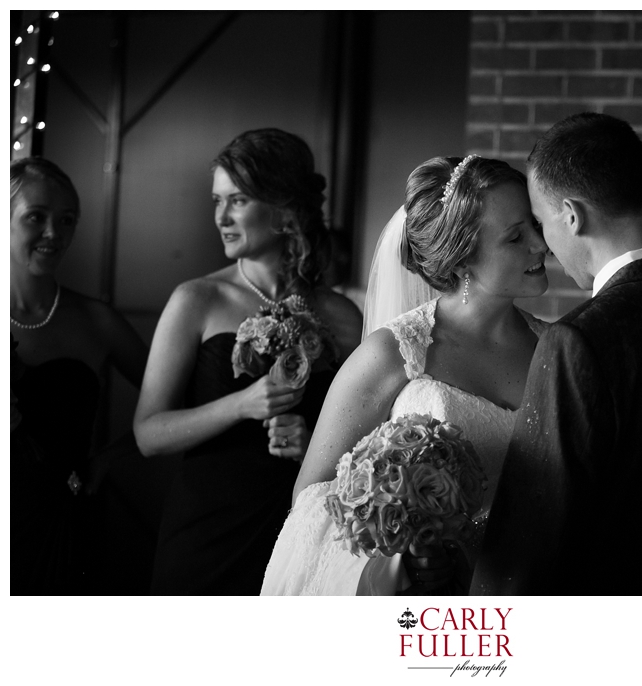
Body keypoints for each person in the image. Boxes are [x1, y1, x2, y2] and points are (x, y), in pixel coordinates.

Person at [471, 112, 642, 595]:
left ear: (571, 215)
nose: (545, 245)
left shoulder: (577, 341)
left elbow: (530, 542)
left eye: (541, 221)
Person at [261, 154, 550, 595]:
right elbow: (312, 500)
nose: (540, 245)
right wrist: (397, 560)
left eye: (535, 225)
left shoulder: (555, 349)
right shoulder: (392, 353)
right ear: (461, 257)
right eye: (516, 237)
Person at [134, 129, 362, 594]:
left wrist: (312, 445)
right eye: (217, 200)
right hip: (207, 533)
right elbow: (147, 434)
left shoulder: (341, 316)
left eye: (236, 201)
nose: (221, 217)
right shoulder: (196, 300)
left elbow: (364, 443)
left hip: (299, 533)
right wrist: (241, 404)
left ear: (283, 209)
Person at [10, 157, 148, 594]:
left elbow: (169, 402)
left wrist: (107, 459)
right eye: (36, 217)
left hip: (60, 521)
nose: (55, 233)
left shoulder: (96, 321)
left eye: (67, 220)